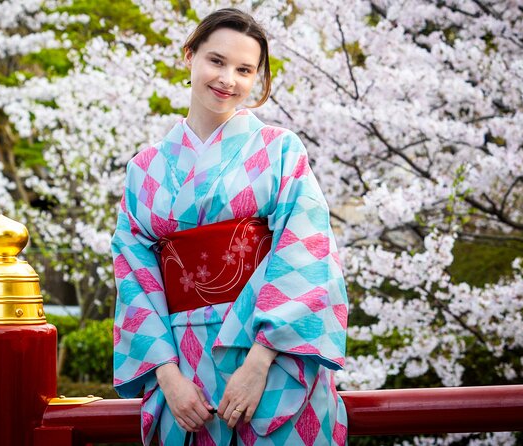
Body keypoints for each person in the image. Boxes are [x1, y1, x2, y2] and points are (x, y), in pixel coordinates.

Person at [111, 8, 349, 445]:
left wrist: (259, 363)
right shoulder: (144, 169)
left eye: (244, 69)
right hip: (181, 363)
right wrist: (167, 377)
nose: (228, 79)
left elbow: (307, 250)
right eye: (216, 61)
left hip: (270, 355)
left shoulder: (279, 149)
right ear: (190, 57)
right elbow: (133, 275)